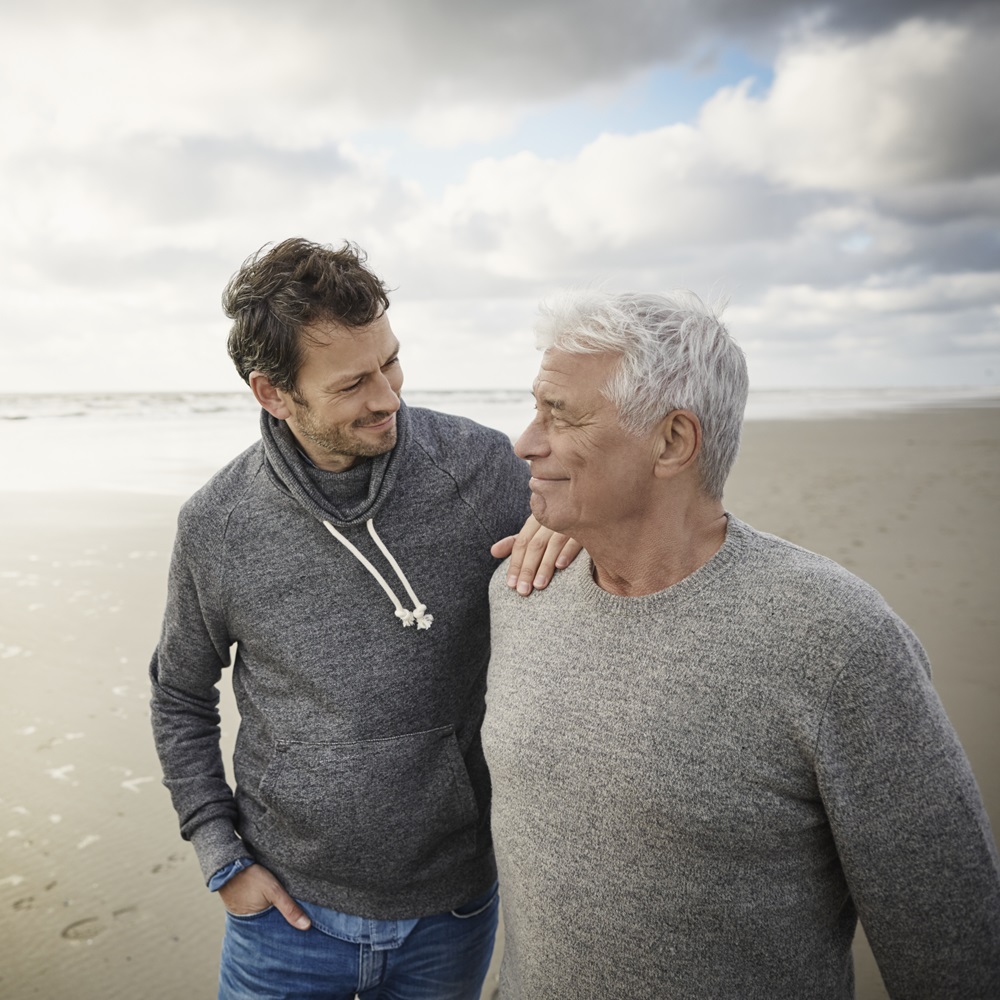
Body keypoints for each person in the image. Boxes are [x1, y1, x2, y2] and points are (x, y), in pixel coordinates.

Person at [483, 288, 1000, 999]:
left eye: (559, 415)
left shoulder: (838, 641)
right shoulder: (521, 593)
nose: (524, 442)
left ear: (672, 441)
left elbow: (954, 950)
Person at [149, 238, 578, 1000]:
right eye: (351, 384)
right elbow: (180, 693)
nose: (387, 397)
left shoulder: (482, 471)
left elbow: (611, 542)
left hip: (451, 905)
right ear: (273, 394)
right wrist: (220, 852)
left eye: (391, 362)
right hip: (284, 915)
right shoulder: (219, 525)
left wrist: (572, 525)